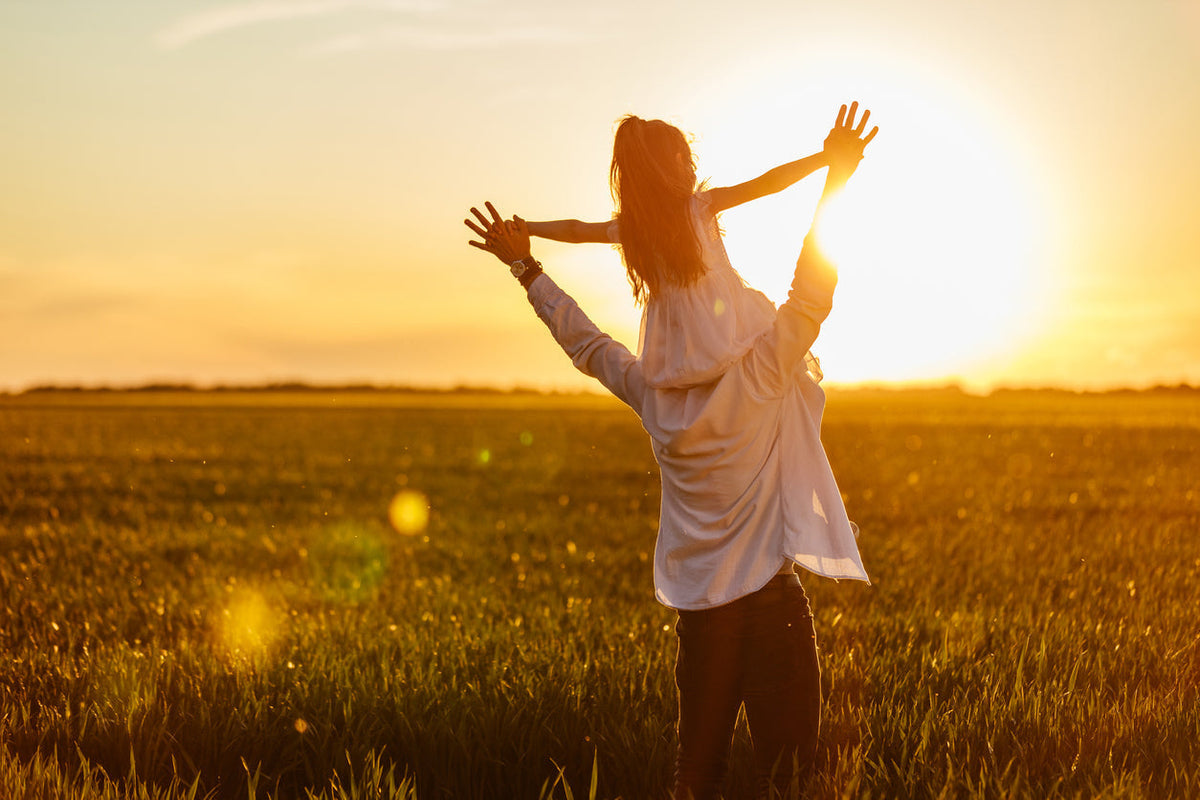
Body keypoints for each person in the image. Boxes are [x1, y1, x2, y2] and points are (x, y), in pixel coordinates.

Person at [464, 102, 876, 800]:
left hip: (702, 619)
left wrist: (526, 264)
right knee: (792, 782)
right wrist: (833, 180)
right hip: (772, 609)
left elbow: (587, 343)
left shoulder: (653, 395)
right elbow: (810, 295)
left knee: (697, 779)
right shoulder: (761, 371)